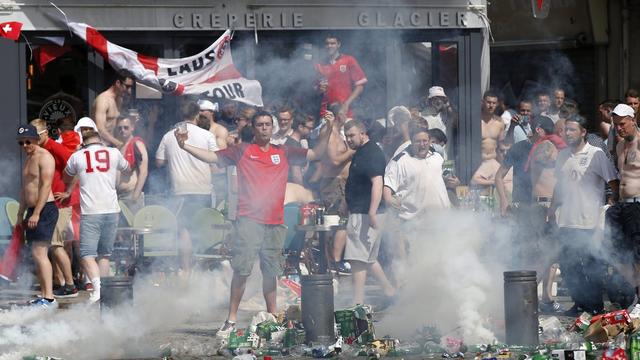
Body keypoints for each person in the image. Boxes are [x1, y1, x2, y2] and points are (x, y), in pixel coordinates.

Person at [175, 109, 333, 337]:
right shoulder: (242, 150)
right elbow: (213, 157)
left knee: (271, 272)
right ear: (254, 128)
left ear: (273, 127)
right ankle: (230, 319)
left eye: (268, 124)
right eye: (260, 124)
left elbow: (316, 154)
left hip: (275, 221)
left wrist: (327, 130)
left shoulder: (285, 151)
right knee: (242, 271)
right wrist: (185, 146)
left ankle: (272, 317)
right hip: (248, 220)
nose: (264, 128)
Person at [548, 115, 619, 315]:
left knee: (591, 267)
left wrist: (611, 204)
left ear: (583, 132)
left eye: (572, 130)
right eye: (566, 130)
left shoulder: (596, 154)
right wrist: (552, 209)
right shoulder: (562, 155)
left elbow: (612, 182)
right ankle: (579, 303)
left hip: (589, 221)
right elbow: (559, 186)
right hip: (566, 221)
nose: (568, 133)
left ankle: (595, 307)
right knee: (569, 266)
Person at [63, 129, 130, 304]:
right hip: (112, 209)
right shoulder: (113, 152)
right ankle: (105, 293)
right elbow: (128, 168)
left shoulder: (78, 155)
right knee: (104, 254)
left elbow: (66, 175)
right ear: (100, 141)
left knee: (86, 254)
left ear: (83, 142)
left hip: (91, 210)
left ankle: (98, 290)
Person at [156, 101, 218, 275]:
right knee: (202, 228)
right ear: (197, 115)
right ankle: (202, 269)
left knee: (184, 230)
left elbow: (159, 162)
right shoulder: (207, 135)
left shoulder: (169, 136)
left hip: (180, 190)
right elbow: (217, 159)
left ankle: (186, 269)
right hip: (203, 189)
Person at [383, 123, 450, 284]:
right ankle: (412, 296)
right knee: (417, 262)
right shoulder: (399, 161)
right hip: (414, 221)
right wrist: (390, 199)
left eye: (425, 141)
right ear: (411, 142)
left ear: (430, 141)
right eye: (418, 141)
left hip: (440, 219)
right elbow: (387, 189)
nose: (422, 144)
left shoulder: (437, 157)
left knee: (440, 260)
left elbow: (445, 181)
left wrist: (453, 182)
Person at [343, 119, 395, 307]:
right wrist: (344, 203)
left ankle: (357, 303)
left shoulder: (370, 153)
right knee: (369, 258)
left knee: (357, 260)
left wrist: (372, 211)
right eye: (346, 136)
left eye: (352, 135)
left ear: (363, 133)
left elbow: (377, 183)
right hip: (362, 211)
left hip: (365, 213)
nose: (348, 139)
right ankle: (390, 291)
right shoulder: (361, 152)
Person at [30, 119, 78, 298]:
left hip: (60, 204)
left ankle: (71, 285)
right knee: (50, 246)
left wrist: (68, 192)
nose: (31, 139)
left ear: (44, 133)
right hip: (50, 204)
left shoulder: (54, 148)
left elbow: (75, 167)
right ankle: (61, 283)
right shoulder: (38, 151)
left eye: (34, 135)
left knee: (57, 245)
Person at [16, 124, 59, 308]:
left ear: (36, 139)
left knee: (40, 253)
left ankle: (49, 298)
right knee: (35, 254)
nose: (25, 146)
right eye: (21, 143)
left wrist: (37, 213)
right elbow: (25, 189)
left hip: (45, 209)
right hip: (32, 211)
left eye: (28, 141)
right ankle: (43, 294)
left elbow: (45, 186)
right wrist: (20, 213)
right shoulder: (28, 159)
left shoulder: (45, 157)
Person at [606, 104, 640, 299]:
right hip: (622, 205)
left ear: (633, 120)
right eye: (616, 124)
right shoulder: (619, 146)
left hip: (638, 204)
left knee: (637, 254)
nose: (619, 128)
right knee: (613, 249)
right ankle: (635, 292)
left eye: (623, 124)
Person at [316, 34, 367, 119]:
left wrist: (347, 104)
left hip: (345, 111)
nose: (329, 46)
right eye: (327, 43)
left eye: (332, 43)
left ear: (338, 45)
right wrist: (319, 89)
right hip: (326, 113)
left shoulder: (348, 60)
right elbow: (316, 90)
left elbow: (360, 86)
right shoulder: (320, 64)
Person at [90, 70, 135, 148]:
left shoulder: (119, 99)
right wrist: (117, 143)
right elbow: (99, 129)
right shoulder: (103, 100)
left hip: (111, 144)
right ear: (118, 83)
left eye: (131, 87)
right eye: (127, 87)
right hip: (99, 145)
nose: (129, 91)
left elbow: (118, 124)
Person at [115, 116, 148, 214]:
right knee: (121, 228)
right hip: (119, 196)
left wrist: (136, 195)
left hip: (131, 194)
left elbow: (144, 171)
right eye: (119, 128)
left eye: (126, 127)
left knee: (134, 228)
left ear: (132, 127)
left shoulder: (137, 144)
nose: (122, 130)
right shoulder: (119, 147)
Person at [481, 91, 505, 159]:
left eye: (494, 103)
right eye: (488, 102)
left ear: (497, 104)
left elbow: (501, 146)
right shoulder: (475, 121)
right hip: (477, 163)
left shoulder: (500, 122)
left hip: (492, 161)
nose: (491, 106)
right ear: (482, 102)